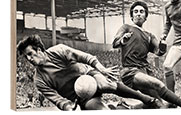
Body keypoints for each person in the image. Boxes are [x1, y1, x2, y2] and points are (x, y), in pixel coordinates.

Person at [17, 35, 159, 110]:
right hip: (81, 96)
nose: (29, 59)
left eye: (30, 54)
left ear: (39, 50)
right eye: (26, 57)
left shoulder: (58, 50)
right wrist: (68, 107)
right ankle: (121, 108)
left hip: (89, 75)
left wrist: (101, 69)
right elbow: (56, 99)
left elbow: (85, 57)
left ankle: (144, 98)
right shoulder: (39, 79)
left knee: (105, 85)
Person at [112, 0, 181, 108]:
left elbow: (159, 52)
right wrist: (122, 40)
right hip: (130, 71)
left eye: (142, 12)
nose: (138, 14)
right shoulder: (126, 28)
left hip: (145, 71)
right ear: (132, 15)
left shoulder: (149, 36)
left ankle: (127, 108)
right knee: (158, 84)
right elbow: (115, 43)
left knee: (158, 104)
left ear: (146, 17)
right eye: (136, 11)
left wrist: (162, 44)